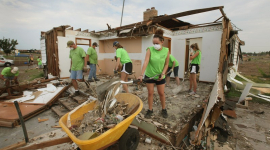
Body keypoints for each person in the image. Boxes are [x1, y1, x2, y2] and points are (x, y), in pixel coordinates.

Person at [138, 29, 170, 118]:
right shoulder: (150, 49)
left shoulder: (166, 50)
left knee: (161, 93)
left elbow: (167, 64)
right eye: (154, 43)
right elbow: (146, 61)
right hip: (150, 75)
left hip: (160, 76)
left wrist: (163, 73)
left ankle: (164, 109)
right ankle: (150, 110)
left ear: (162, 42)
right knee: (150, 93)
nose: (155, 45)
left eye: (157, 43)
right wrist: (141, 74)